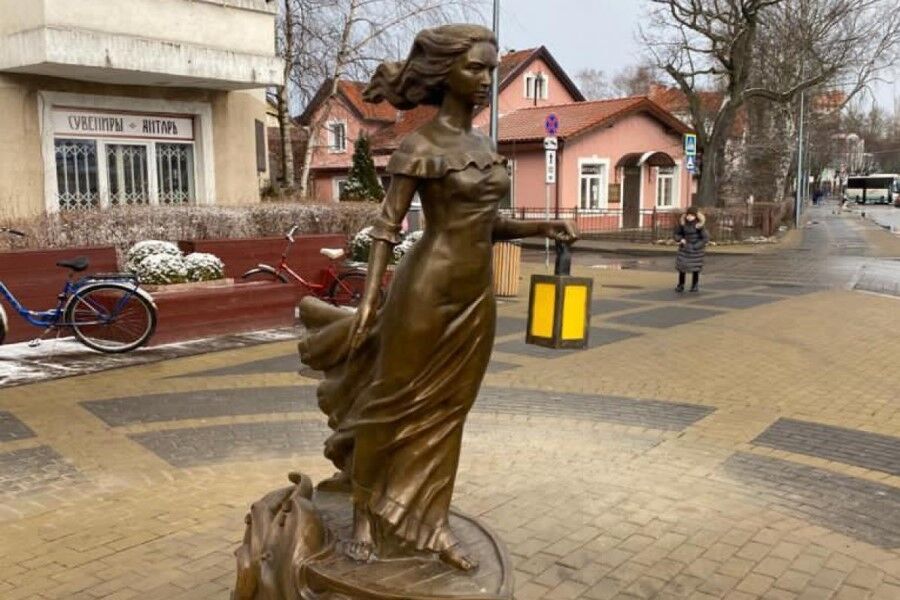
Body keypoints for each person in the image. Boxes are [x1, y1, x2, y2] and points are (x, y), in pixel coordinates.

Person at [297, 24, 576, 572]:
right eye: (475, 68)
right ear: (445, 73)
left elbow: (485, 224)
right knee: (389, 405)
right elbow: (386, 228)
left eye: (491, 69)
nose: (486, 79)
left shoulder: (484, 147)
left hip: (475, 298)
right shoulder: (420, 146)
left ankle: (431, 523)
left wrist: (544, 226)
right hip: (424, 292)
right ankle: (363, 515)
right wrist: (369, 305)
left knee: (450, 412)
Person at [674, 206, 709, 292]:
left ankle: (695, 285)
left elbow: (705, 238)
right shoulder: (683, 224)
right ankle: (681, 285)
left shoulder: (699, 226)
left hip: (696, 250)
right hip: (684, 248)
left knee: (695, 268)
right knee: (682, 267)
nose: (689, 217)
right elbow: (676, 234)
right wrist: (680, 239)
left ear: (695, 216)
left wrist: (696, 246)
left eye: (692, 215)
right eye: (688, 215)